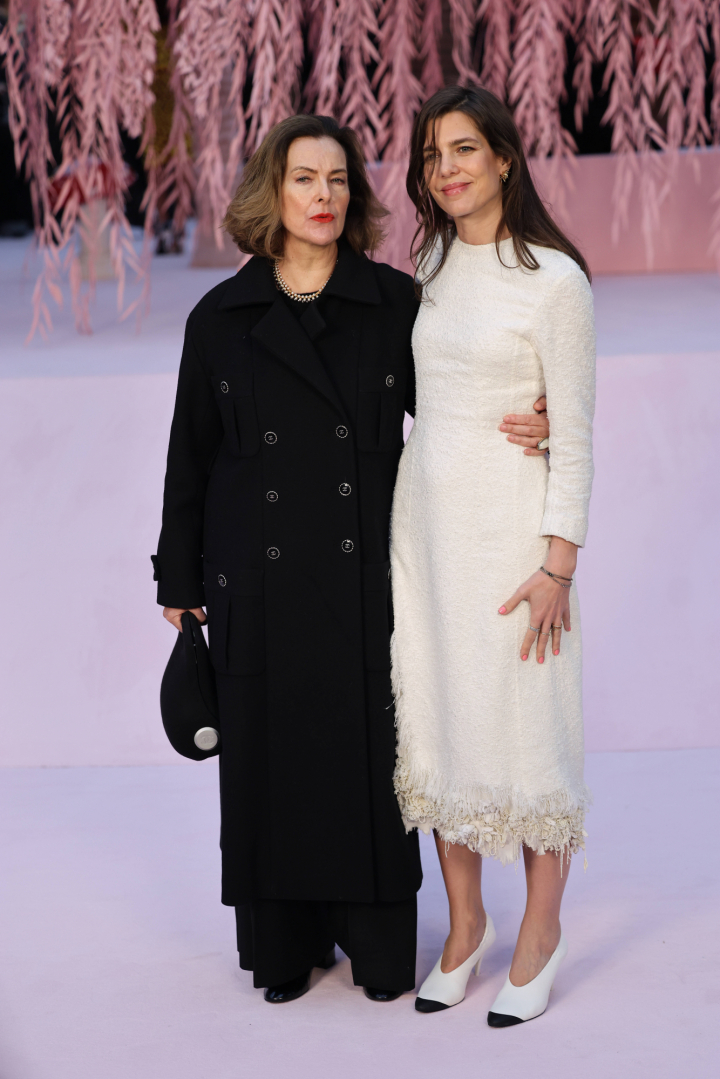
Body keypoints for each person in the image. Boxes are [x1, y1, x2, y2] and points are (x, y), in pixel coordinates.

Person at [153, 113, 551, 1006]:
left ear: (355, 194)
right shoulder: (219, 317)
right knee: (267, 757)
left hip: (365, 569)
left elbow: (454, 412)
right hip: (254, 576)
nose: (322, 196)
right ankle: (282, 941)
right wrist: (177, 577)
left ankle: (374, 939)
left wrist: (545, 415)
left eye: (338, 180)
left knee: (365, 754)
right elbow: (191, 454)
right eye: (304, 178)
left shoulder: (394, 303)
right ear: (273, 190)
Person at [390, 86, 595, 1025]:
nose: (448, 170)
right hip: (425, 533)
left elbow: (579, 434)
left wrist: (559, 564)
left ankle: (541, 930)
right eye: (434, 155)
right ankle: (464, 923)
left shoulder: (554, 279)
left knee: (526, 725)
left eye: (465, 150)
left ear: (506, 159)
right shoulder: (428, 260)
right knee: (439, 717)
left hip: (512, 539)